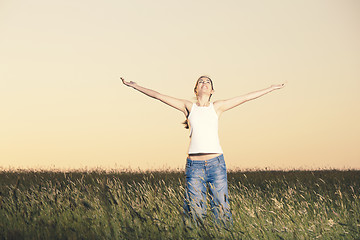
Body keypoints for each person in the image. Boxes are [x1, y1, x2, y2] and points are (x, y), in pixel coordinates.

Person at [121, 76, 285, 226]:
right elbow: (158, 95)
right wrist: (136, 86)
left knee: (221, 210)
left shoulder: (217, 107)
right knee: (196, 212)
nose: (204, 83)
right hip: (195, 166)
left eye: (208, 82)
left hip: (217, 165)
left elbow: (246, 97)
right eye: (201, 81)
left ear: (212, 90)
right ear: (196, 89)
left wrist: (271, 88)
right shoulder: (188, 107)